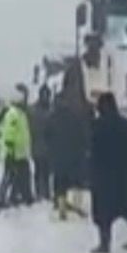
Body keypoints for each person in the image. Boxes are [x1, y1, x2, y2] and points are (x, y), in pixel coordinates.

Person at [88, 93, 127, 253]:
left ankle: (104, 243)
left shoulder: (97, 126)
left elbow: (92, 151)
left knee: (103, 214)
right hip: (124, 173)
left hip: (103, 175)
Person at [47, 89, 90, 220]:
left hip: (58, 156)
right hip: (74, 156)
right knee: (76, 182)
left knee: (60, 183)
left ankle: (61, 209)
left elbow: (47, 136)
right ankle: (77, 206)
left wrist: (52, 150)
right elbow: (82, 135)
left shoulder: (52, 118)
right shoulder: (75, 116)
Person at [0, 97, 34, 208]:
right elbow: (9, 132)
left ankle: (22, 196)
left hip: (21, 152)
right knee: (9, 176)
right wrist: (10, 150)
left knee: (23, 175)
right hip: (14, 152)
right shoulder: (13, 114)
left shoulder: (21, 114)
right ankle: (1, 198)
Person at [30, 84, 54, 201]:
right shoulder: (50, 110)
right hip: (42, 144)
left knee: (44, 170)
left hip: (43, 145)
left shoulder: (34, 109)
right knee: (41, 170)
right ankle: (41, 192)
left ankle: (43, 191)